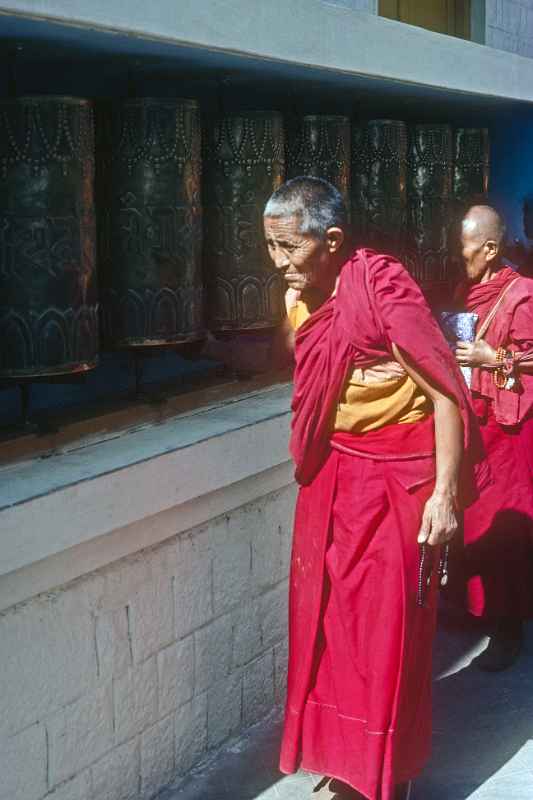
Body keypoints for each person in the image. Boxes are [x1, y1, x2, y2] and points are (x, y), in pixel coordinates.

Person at [263, 177, 484, 800]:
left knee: (387, 638)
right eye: (269, 248)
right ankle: (344, 761)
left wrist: (443, 496)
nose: (278, 262)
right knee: (328, 631)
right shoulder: (301, 298)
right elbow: (308, 364)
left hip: (398, 484)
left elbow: (446, 388)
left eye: (288, 248)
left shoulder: (381, 287)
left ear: (331, 241)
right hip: (335, 480)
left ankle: (388, 775)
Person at [453, 205, 533, 671]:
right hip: (477, 425)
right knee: (477, 524)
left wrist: (494, 357)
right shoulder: (470, 292)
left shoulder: (523, 294)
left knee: (508, 529)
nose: (457, 253)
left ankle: (509, 631)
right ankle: (483, 614)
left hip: (511, 431)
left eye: (464, 244)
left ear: (488, 247)